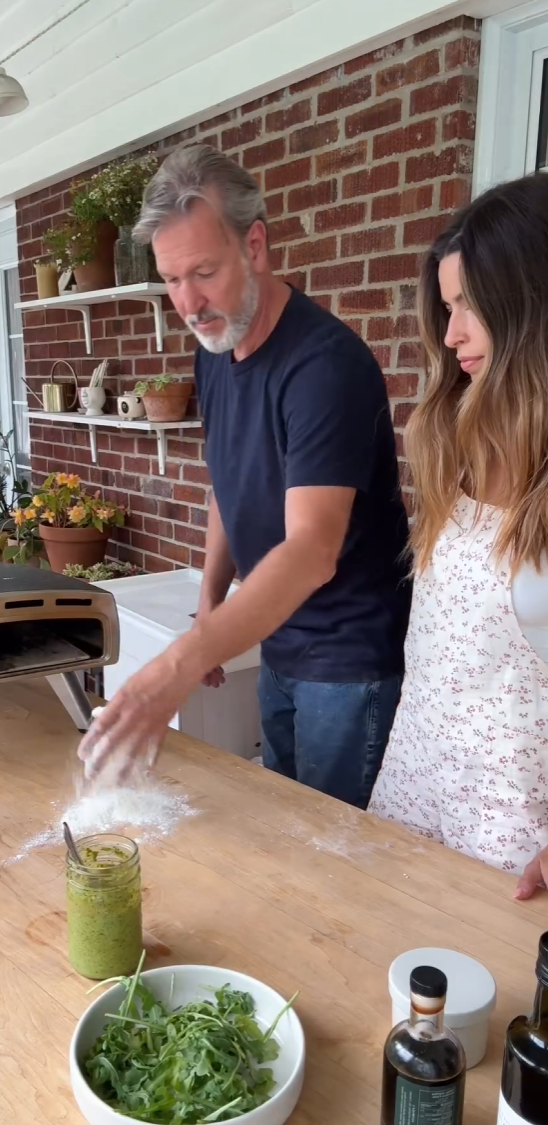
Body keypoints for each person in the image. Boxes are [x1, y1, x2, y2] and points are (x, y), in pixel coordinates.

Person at [80, 144, 411, 806]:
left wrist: (175, 664)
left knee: (328, 848)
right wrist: (210, 597)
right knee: (283, 820)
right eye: (172, 279)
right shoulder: (216, 348)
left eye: (202, 271)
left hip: (346, 660)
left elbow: (311, 550)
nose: (188, 302)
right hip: (279, 641)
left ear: (254, 245)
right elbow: (228, 483)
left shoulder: (323, 367)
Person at [369, 172, 548, 900]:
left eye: (468, 305)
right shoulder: (456, 447)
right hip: (413, 789)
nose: (450, 335)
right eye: (446, 308)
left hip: (510, 846)